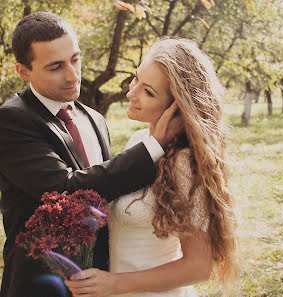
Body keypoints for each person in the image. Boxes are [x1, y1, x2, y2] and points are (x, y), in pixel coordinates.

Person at [0, 12, 182, 297]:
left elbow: (107, 192)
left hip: (104, 281)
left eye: (75, 59)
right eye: (56, 66)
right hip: (41, 285)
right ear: (23, 71)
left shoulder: (94, 118)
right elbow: (65, 189)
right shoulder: (10, 121)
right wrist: (153, 147)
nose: (73, 75)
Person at [65, 38, 239, 297]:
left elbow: (199, 267)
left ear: (177, 107)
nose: (130, 93)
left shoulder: (184, 163)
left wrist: (115, 283)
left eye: (149, 92)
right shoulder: (140, 142)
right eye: (136, 79)